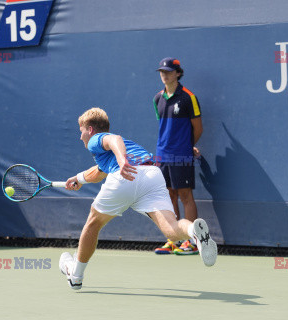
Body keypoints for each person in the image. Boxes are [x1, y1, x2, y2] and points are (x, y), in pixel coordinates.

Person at [59, 107, 217, 290]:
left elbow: (113, 139)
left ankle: (76, 276)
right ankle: (194, 232)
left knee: (93, 223)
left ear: (91, 130)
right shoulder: (115, 150)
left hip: (125, 176)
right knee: (172, 230)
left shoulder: (98, 139)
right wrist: (78, 179)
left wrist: (122, 160)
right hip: (152, 175)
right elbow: (99, 172)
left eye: (82, 132)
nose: (81, 137)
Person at [153, 57, 203, 255]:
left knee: (185, 195)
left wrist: (187, 146)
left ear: (178, 73)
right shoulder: (157, 98)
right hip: (162, 156)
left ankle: (192, 241)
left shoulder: (188, 97)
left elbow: (198, 128)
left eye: (168, 71)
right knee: (168, 196)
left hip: (181, 155)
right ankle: (174, 238)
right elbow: (164, 128)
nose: (164, 75)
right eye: (161, 72)